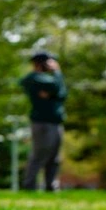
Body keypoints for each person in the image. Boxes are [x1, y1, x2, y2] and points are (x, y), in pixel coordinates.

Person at [19, 52, 67, 191]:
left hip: (55, 122)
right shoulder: (34, 79)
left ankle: (50, 186)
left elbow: (62, 94)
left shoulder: (46, 80)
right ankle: (30, 186)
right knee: (39, 154)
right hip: (42, 122)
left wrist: (54, 91)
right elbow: (58, 89)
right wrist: (57, 72)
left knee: (54, 157)